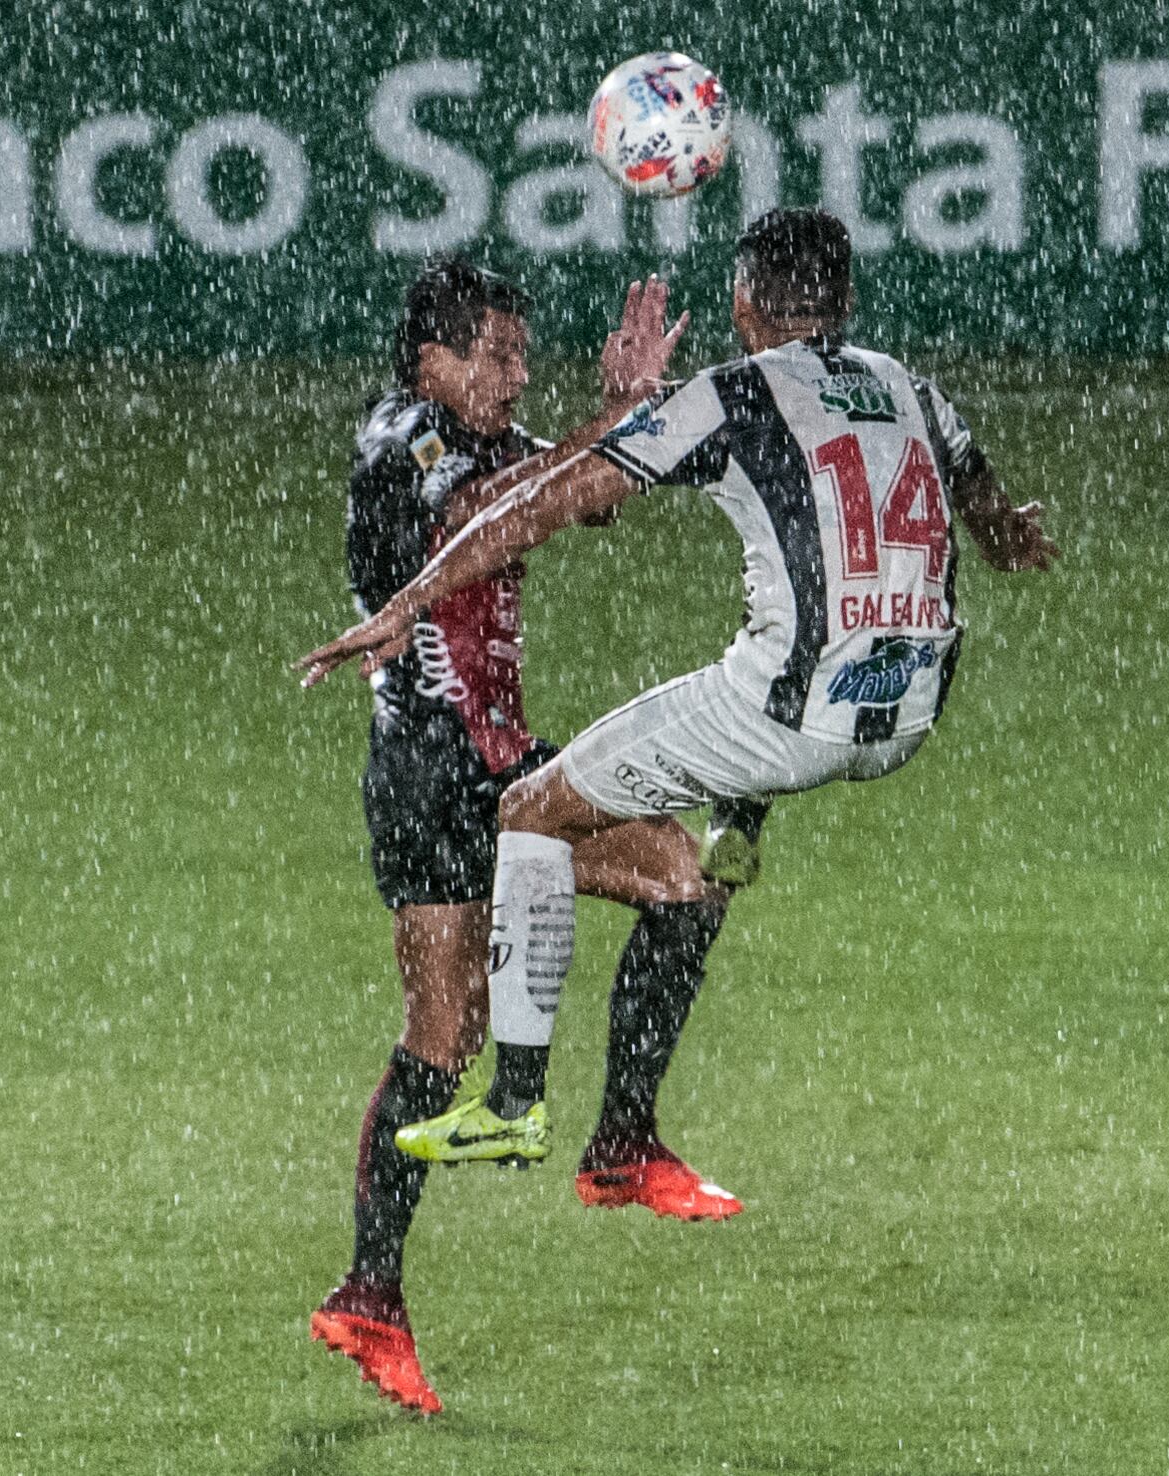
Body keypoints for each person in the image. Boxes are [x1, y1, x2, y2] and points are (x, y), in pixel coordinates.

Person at [298, 210, 1059, 1187]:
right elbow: (987, 510)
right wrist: (1012, 536)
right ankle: (734, 830)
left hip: (796, 715)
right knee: (756, 669)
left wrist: (408, 601)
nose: (516, 373)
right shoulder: (911, 387)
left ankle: (516, 1105)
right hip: (906, 709)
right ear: (844, 302)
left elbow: (548, 499)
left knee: (534, 810)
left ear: (743, 303)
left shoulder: (733, 396)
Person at [306, 257, 754, 1417]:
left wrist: (624, 412)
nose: (514, 376)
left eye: (519, 356)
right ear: (433, 359)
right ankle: (370, 1291)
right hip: (427, 775)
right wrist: (597, 431)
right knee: (440, 1041)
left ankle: (622, 1145)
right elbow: (485, 523)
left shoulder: (489, 441)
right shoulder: (401, 437)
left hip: (506, 768)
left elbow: (584, 495)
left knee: (679, 879)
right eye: (496, 356)